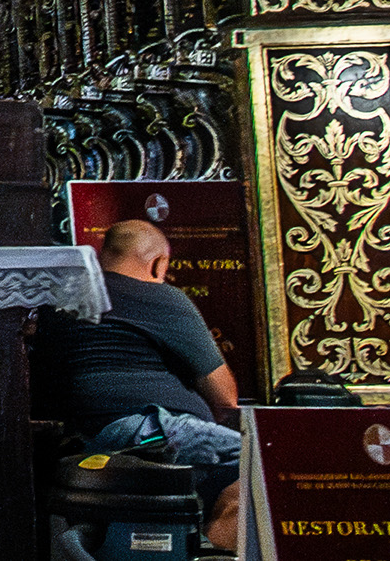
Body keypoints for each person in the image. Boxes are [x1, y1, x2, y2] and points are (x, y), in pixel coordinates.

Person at [36, 219, 243, 549]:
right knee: (262, 467)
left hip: (90, 439)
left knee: (230, 481)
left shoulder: (60, 300)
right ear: (158, 263)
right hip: (149, 428)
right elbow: (225, 397)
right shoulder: (161, 297)